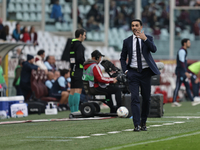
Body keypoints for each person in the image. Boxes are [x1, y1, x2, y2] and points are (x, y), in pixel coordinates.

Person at [120, 19, 160, 132]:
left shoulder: (148, 38)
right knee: (134, 98)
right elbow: (122, 57)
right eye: (132, 26)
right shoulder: (127, 41)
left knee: (146, 99)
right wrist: (125, 70)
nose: (134, 27)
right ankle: (136, 124)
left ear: (141, 27)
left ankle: (143, 122)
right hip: (133, 73)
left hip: (146, 72)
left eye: (137, 25)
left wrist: (145, 39)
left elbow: (154, 49)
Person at [68, 28, 86, 112]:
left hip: (72, 69)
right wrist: (84, 63)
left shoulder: (72, 44)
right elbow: (79, 58)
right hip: (78, 70)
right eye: (84, 35)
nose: (85, 37)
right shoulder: (79, 45)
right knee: (78, 90)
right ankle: (76, 111)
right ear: (80, 35)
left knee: (72, 90)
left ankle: (72, 111)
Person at [172, 39, 194, 107]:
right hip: (180, 72)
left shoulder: (184, 50)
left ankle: (192, 101)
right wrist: (185, 72)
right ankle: (174, 101)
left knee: (187, 86)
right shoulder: (181, 51)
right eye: (188, 42)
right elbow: (181, 62)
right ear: (184, 43)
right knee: (178, 86)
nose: (190, 43)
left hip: (183, 72)